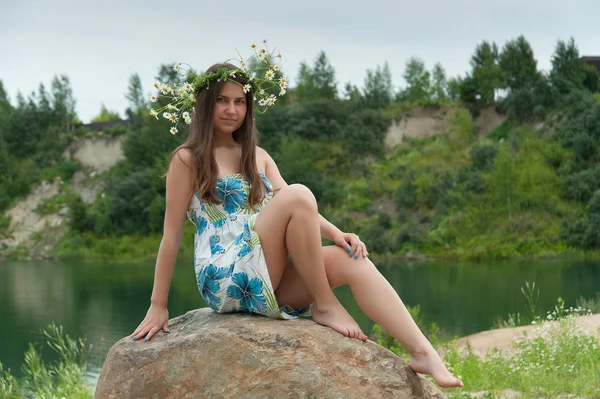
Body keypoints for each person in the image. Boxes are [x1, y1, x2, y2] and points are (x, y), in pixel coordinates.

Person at [130, 52, 463, 389]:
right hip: (226, 273)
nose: (232, 110)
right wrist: (159, 305)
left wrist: (338, 233)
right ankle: (326, 305)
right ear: (205, 105)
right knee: (298, 194)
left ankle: (423, 352)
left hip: (266, 269)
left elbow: (300, 209)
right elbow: (171, 236)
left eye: (240, 102)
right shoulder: (187, 159)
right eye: (222, 101)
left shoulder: (257, 157)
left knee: (352, 259)